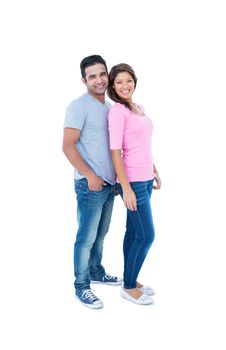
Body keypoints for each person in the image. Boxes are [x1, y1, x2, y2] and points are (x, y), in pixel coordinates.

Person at [62, 55, 122, 309]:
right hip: (91, 186)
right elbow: (67, 146)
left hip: (110, 185)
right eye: (92, 76)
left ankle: (96, 271)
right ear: (84, 80)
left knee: (101, 234)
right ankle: (82, 286)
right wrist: (90, 175)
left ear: (107, 75)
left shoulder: (109, 108)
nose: (98, 80)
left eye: (101, 74)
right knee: (86, 237)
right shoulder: (78, 106)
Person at [107, 63, 162, 305]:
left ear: (134, 81)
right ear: (112, 86)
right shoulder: (118, 111)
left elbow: (141, 144)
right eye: (119, 82)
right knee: (146, 235)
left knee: (133, 232)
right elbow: (116, 151)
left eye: (128, 80)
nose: (124, 85)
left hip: (146, 178)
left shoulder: (138, 107)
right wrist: (125, 187)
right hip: (133, 182)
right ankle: (128, 287)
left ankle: (130, 277)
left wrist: (154, 169)